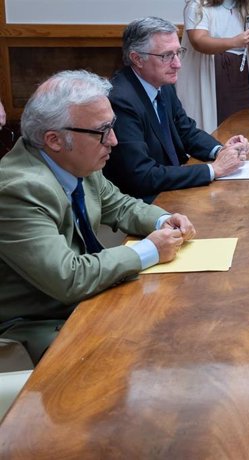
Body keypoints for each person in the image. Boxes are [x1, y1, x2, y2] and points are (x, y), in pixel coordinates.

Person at [0, 70, 195, 362]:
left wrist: (162, 220)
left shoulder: (75, 160)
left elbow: (119, 205)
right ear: (54, 139)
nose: (114, 141)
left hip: (87, 296)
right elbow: (68, 277)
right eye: (102, 131)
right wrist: (150, 250)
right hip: (41, 321)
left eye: (112, 126)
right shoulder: (17, 190)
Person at [103, 16, 249, 204]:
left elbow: (186, 131)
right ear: (137, 59)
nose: (177, 64)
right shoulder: (120, 100)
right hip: (144, 202)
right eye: (166, 56)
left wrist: (221, 150)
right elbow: (141, 175)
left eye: (178, 52)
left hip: (171, 189)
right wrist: (213, 170)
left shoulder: (161, 83)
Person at [178, 0, 249, 133]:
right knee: (212, 129)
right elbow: (198, 41)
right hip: (210, 73)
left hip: (241, 74)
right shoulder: (198, 5)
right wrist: (235, 42)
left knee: (243, 127)